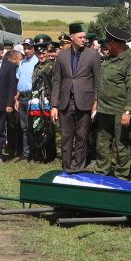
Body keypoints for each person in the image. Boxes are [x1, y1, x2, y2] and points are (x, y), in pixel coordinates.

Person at [52, 23, 100, 172]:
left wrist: (96, 102)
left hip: (85, 103)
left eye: (85, 37)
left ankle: (78, 168)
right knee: (66, 137)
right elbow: (56, 81)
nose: (83, 40)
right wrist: (54, 105)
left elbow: (98, 81)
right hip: (65, 103)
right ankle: (66, 168)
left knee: (81, 137)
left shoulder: (93, 55)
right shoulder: (62, 56)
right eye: (80, 37)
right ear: (71, 37)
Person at [91, 29, 131, 176]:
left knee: (122, 144)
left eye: (109, 43)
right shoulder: (108, 59)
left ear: (116, 43)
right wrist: (96, 104)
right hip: (104, 109)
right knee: (102, 143)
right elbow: (101, 83)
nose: (107, 47)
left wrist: (127, 111)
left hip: (120, 111)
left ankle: (122, 175)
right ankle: (101, 171)